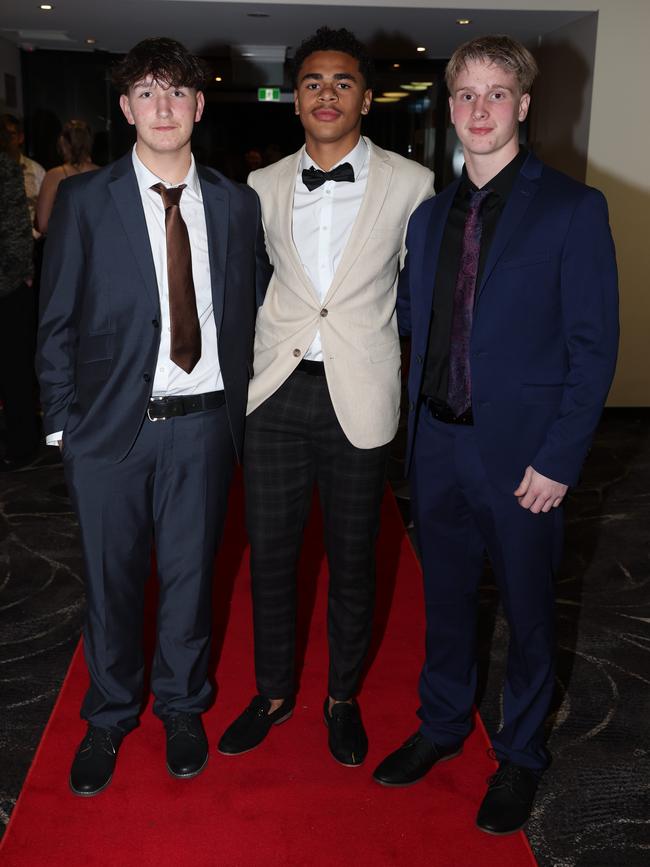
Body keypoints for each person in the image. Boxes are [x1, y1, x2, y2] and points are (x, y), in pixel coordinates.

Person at [372, 35, 619, 833]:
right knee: (444, 603)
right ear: (450, 109)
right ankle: (443, 726)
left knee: (529, 611)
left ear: (522, 104)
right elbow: (418, 331)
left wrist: (559, 459)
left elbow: (593, 349)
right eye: (466, 95)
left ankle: (519, 757)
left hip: (524, 461)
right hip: (438, 448)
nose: (481, 109)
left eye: (497, 93)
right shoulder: (427, 218)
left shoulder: (575, 209)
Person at [36, 37, 269, 797]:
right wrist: (62, 426)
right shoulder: (84, 200)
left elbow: (252, 316)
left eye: (177, 92)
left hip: (204, 424)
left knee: (191, 579)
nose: (163, 107)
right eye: (146, 92)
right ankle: (109, 712)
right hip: (107, 431)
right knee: (111, 583)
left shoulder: (237, 205)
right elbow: (56, 319)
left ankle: (181, 703)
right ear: (127, 107)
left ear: (199, 106)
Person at [218, 27, 434, 767]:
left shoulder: (413, 183)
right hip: (274, 394)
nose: (327, 94)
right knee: (270, 557)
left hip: (360, 393)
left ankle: (341, 698)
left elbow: (422, 296)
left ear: (367, 98)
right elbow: (248, 287)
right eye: (313, 82)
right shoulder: (262, 186)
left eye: (343, 82)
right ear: (295, 98)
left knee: (353, 560)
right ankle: (273, 691)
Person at [0, 126, 39, 471]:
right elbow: (15, 228)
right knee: (15, 369)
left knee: (15, 370)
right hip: (8, 285)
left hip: (7, 283)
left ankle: (22, 441)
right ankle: (21, 443)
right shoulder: (6, 166)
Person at [36, 119, 99, 234]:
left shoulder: (54, 176)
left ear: (63, 143)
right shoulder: (102, 173)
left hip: (66, 245)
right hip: (97, 245)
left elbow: (43, 224)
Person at [0, 114, 45, 234]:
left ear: (20, 137)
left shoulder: (36, 171)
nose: (6, 141)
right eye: (3, 135)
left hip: (31, 240)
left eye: (11, 134)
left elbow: (45, 210)